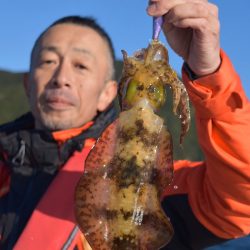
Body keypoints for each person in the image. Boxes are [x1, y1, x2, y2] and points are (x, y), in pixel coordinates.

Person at [0, 0, 249, 249]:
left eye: (81, 66)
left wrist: (209, 74)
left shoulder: (159, 183)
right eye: (48, 61)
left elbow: (240, 201)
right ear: (27, 82)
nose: (61, 78)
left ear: (109, 93)